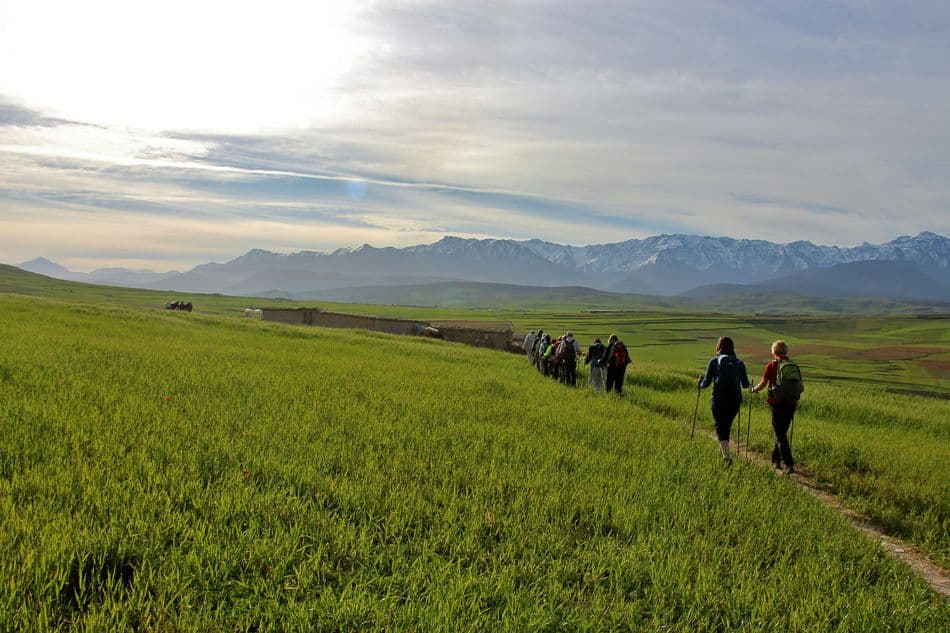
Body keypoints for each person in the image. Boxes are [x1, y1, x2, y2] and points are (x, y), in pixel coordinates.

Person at [751, 340, 805, 474]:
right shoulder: (793, 366)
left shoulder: (772, 365)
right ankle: (775, 460)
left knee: (780, 434)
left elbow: (763, 384)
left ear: (774, 352)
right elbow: (802, 388)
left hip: (776, 404)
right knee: (781, 433)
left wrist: (753, 389)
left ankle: (789, 463)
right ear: (786, 351)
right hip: (791, 404)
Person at [697, 336, 750, 466]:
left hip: (718, 399)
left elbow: (706, 384)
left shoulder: (714, 362)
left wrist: (699, 383)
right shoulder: (739, 363)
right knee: (725, 426)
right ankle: (724, 448)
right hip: (734, 400)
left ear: (718, 347)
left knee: (720, 426)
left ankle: (726, 456)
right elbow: (745, 385)